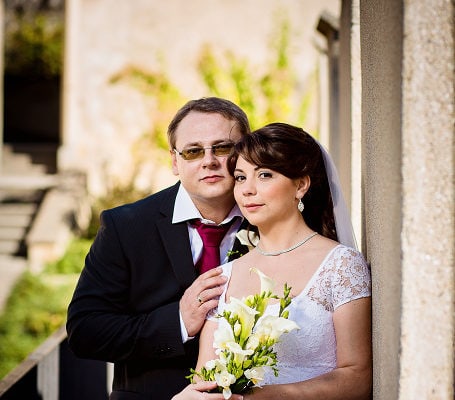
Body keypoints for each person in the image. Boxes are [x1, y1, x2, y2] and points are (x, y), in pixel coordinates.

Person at [66, 97, 252, 400]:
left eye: (222, 147)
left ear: (245, 152)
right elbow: (85, 331)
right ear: (175, 161)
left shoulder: (271, 221)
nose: (209, 160)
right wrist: (178, 321)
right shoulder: (125, 226)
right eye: (193, 151)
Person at [174, 123, 372, 400]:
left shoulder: (340, 266)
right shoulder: (224, 276)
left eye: (264, 175)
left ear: (301, 185)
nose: (247, 190)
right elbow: (204, 380)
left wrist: (258, 398)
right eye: (241, 177)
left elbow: (357, 377)